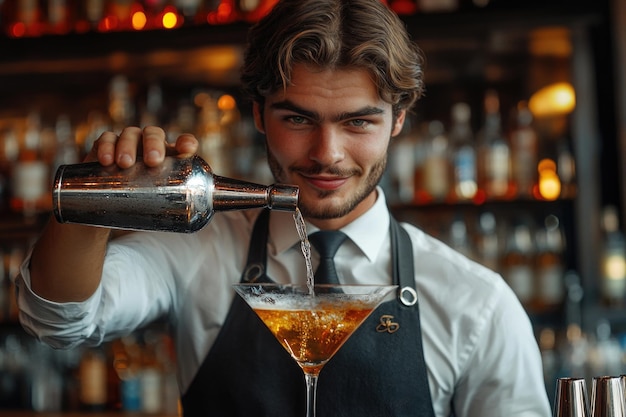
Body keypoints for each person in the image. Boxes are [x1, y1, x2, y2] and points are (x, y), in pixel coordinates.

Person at [14, 0, 552, 415]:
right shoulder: (198, 251)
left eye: (357, 121)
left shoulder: (477, 305)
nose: (326, 154)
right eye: (297, 119)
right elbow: (56, 321)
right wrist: (92, 197)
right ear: (258, 114)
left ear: (399, 119)